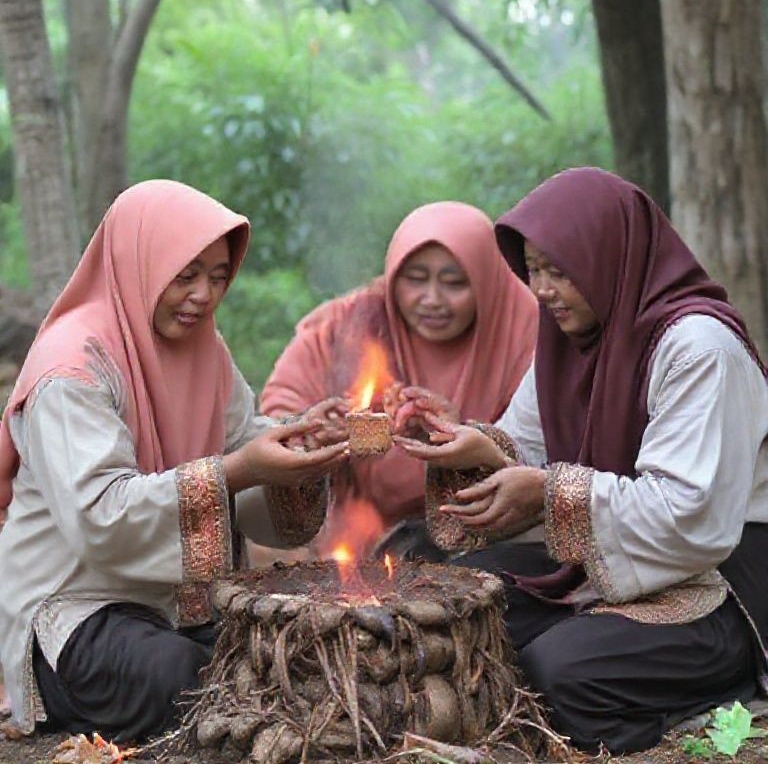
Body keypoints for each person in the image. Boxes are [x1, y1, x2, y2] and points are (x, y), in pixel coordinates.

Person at [393, 167, 768, 753]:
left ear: (608, 257)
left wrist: (545, 492)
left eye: (560, 270)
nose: (541, 289)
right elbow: (528, 449)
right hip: (616, 564)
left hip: (726, 581)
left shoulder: (700, 350)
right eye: (534, 269)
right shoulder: (573, 340)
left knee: (560, 671)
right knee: (453, 609)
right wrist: (466, 446)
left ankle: (727, 694)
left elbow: (689, 515)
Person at [0, 180, 347, 741]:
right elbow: (100, 517)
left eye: (217, 276)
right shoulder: (71, 369)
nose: (203, 296)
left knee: (292, 658)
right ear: (139, 263)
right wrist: (241, 470)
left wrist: (299, 449)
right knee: (185, 678)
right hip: (78, 611)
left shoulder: (205, 348)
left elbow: (247, 443)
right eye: (185, 275)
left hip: (181, 609)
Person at [260, 201, 538, 553]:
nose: (432, 300)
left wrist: (461, 435)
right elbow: (280, 411)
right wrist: (315, 433)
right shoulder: (348, 324)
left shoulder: (522, 333)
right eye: (415, 279)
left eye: (454, 283)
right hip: (354, 536)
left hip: (492, 541)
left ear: (486, 283)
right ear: (392, 276)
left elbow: (540, 456)